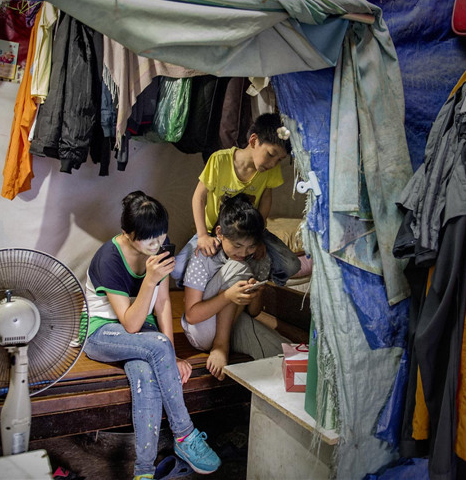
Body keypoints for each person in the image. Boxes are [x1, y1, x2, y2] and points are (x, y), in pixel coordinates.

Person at [80, 191, 220, 479]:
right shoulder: (109, 258)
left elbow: (164, 303)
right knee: (156, 345)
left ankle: (143, 471)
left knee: (145, 374)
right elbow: (130, 324)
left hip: (143, 333)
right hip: (102, 332)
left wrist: (172, 352)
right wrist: (150, 279)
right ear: (128, 235)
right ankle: (185, 435)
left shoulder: (159, 249)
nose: (157, 245)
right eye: (149, 240)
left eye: (161, 237)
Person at [172, 112, 301, 285]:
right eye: (271, 155)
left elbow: (265, 200)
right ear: (254, 141)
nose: (272, 164)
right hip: (215, 230)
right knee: (177, 270)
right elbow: (198, 197)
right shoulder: (220, 160)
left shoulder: (270, 171)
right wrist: (202, 235)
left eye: (279, 160)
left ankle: (256, 282)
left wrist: (258, 237)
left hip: (250, 230)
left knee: (291, 265)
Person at [181, 194, 288, 380]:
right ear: (220, 233)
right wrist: (228, 296)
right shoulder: (204, 255)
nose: (243, 252)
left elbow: (253, 313)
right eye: (237, 245)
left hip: (232, 323)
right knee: (239, 267)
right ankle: (221, 346)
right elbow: (191, 316)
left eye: (250, 247)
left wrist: (256, 294)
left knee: (284, 352)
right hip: (201, 330)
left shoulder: (258, 258)